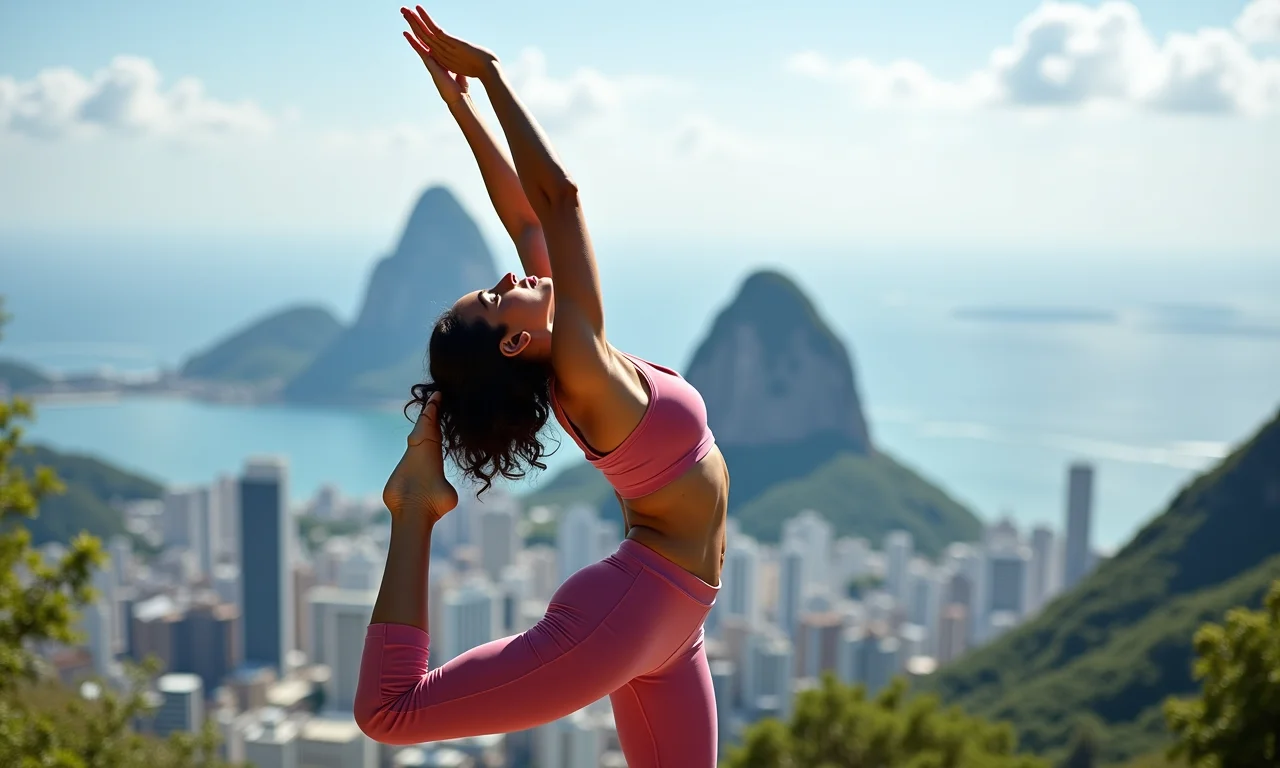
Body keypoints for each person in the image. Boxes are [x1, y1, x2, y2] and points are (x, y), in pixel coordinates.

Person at [354, 7, 731, 766]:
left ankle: (417, 503)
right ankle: (414, 508)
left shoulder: (571, 356)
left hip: (676, 617)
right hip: (631, 611)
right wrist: (490, 73)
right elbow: (558, 199)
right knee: (390, 713)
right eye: (494, 301)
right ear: (517, 341)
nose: (505, 277)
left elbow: (524, 216)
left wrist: (456, 102)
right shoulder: (584, 367)